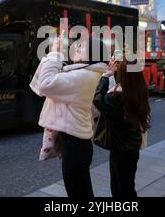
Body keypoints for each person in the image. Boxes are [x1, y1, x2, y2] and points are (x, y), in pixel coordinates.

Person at [31, 33, 108, 198]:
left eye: (82, 47)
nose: (77, 48)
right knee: (81, 192)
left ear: (93, 55)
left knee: (79, 195)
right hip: (76, 143)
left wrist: (54, 54)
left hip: (75, 145)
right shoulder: (84, 72)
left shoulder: (83, 76)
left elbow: (45, 84)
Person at [93, 59, 151, 198]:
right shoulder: (138, 92)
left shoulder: (117, 98)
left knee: (121, 189)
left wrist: (106, 76)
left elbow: (98, 99)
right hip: (131, 147)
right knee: (126, 186)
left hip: (120, 149)